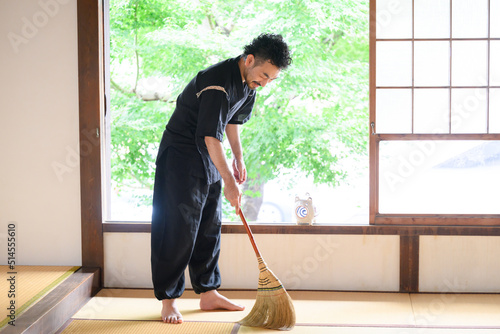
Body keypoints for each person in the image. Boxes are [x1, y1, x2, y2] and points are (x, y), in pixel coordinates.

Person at [150, 33, 292, 324]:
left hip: (208, 156)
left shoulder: (249, 83)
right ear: (249, 60)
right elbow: (210, 136)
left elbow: (231, 123)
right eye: (264, 75)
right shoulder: (218, 82)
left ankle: (208, 292)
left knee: (209, 225)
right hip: (181, 155)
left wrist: (239, 160)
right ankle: (168, 299)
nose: (265, 83)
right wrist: (229, 181)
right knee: (178, 228)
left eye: (271, 80)